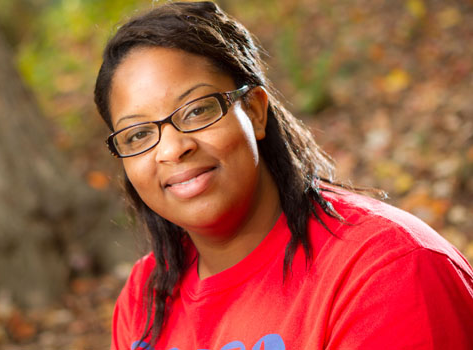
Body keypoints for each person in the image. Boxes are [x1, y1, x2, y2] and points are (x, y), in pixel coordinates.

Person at [93, 2, 473, 349]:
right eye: (138, 134)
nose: (173, 148)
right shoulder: (145, 298)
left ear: (255, 111)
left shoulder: (386, 273)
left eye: (197, 110)